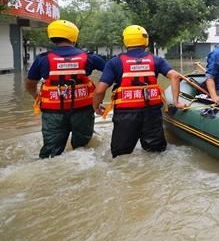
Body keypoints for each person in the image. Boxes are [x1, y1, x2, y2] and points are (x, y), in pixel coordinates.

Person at [92, 25, 186, 158]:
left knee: (121, 156)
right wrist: (176, 102)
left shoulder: (115, 62)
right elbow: (175, 76)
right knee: (156, 154)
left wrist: (96, 106)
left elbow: (100, 90)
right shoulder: (156, 60)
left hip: (125, 114)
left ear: (126, 41)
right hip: (152, 112)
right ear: (145, 40)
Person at [26, 19, 105, 158]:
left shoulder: (42, 59)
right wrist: (98, 102)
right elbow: (111, 74)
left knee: (51, 152)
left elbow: (30, 84)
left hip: (52, 113)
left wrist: (36, 96)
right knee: (82, 150)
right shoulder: (89, 58)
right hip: (82, 111)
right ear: (73, 36)